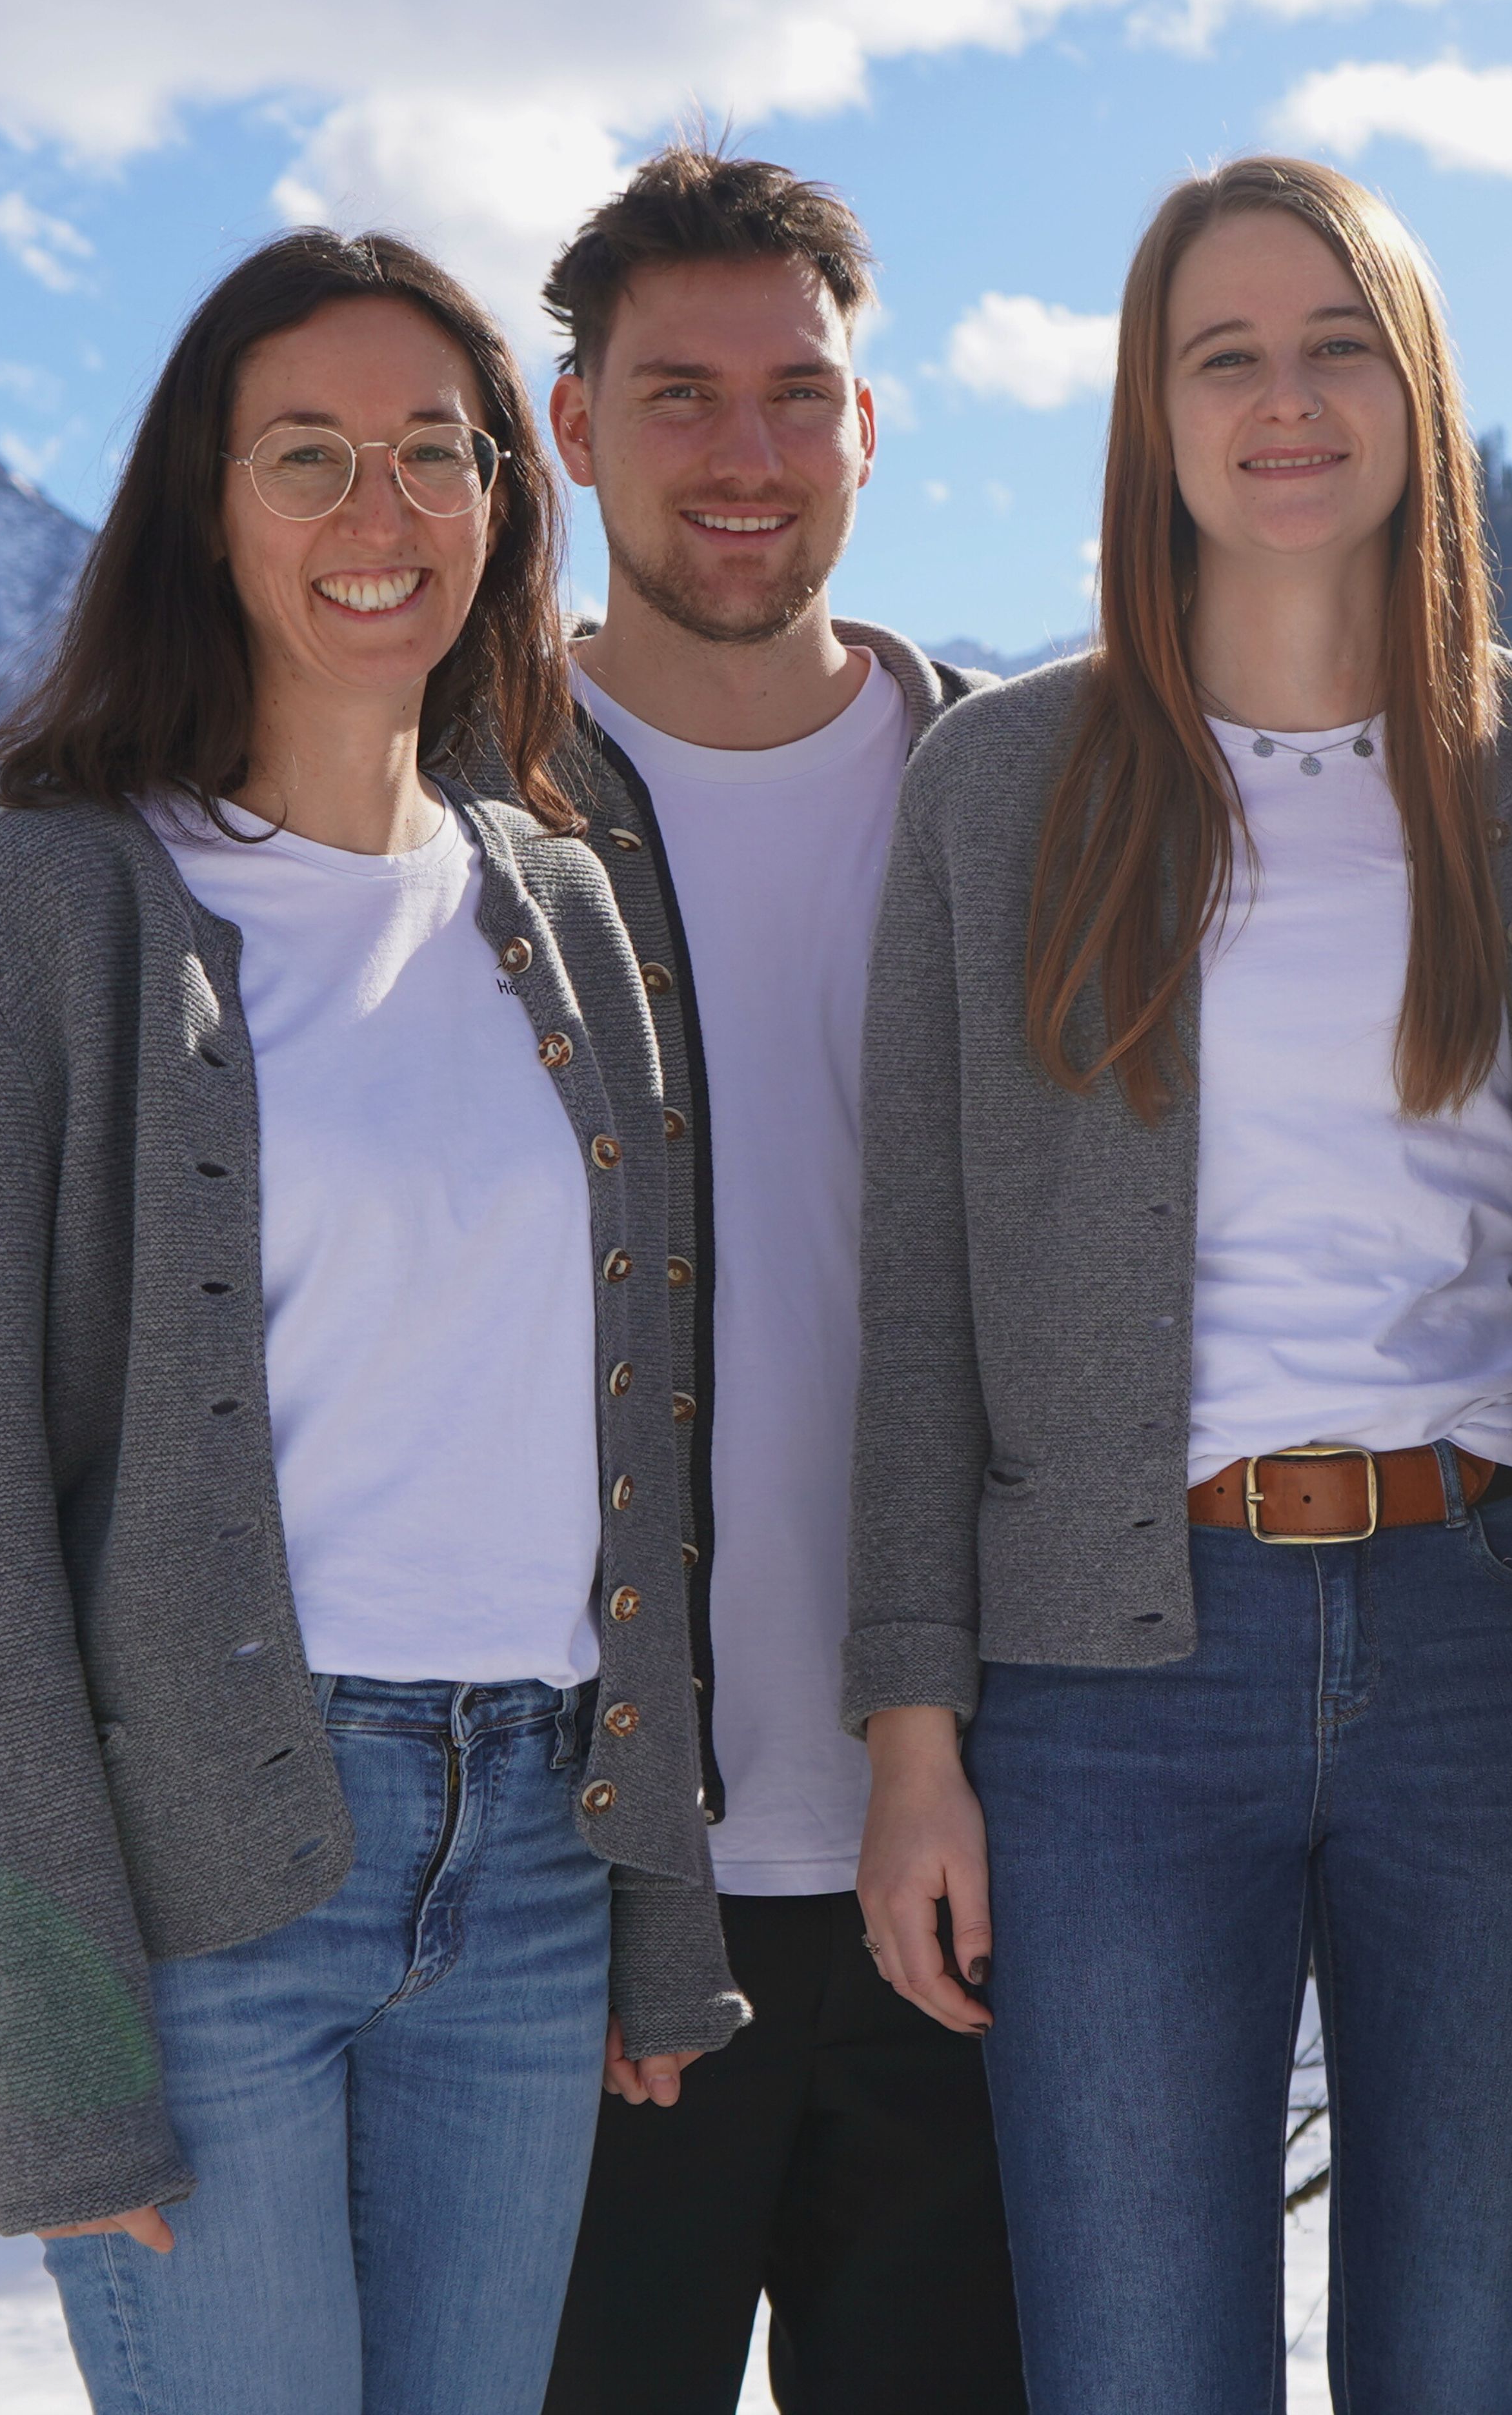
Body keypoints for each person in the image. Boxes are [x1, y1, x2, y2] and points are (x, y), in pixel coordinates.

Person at [0, 227, 743, 2415]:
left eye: (434, 453)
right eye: (309, 456)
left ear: (502, 501)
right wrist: (54, 2057)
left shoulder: (565, 907)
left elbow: (643, 1452)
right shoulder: (51, 911)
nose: (384, 511)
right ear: (206, 507)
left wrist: (656, 1904)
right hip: (208, 1899)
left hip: (536, 1861)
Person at [847, 154, 1512, 2410]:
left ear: (1418, 390)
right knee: (1133, 2369)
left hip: (1492, 1649)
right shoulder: (1002, 783)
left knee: (1463, 2359)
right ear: (1153, 413)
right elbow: (920, 1296)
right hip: (1114, 1685)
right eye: (1226, 357)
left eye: (1334, 348)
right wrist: (914, 1739)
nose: (1284, 401)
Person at [514, 147, 1023, 2415]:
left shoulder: (1029, 801)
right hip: (584, 1893)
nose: (746, 453)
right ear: (573, 427)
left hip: (989, 1856)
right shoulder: (454, 810)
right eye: (679, 395)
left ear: (870, 426)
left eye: (796, 394)